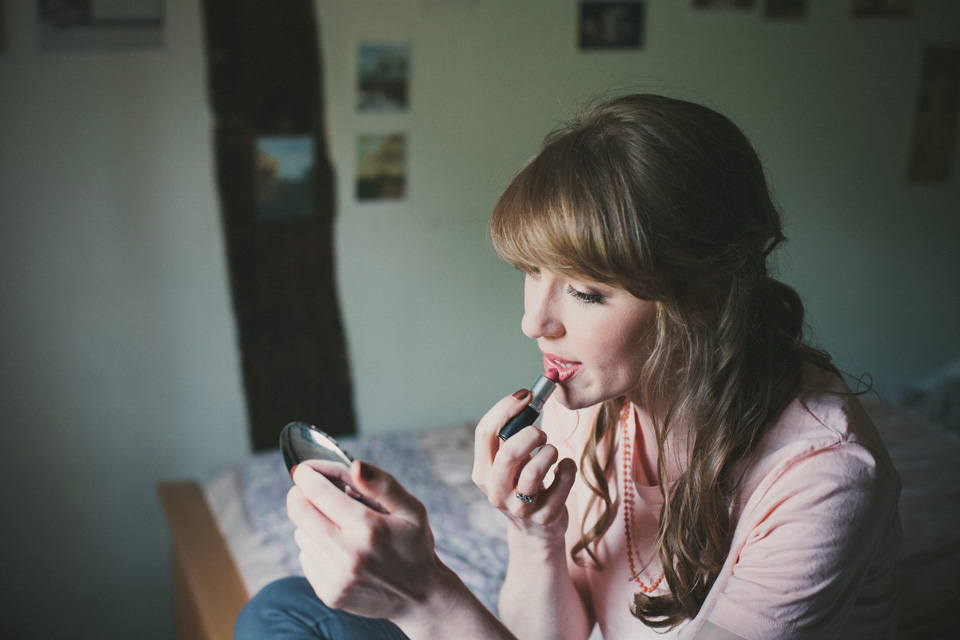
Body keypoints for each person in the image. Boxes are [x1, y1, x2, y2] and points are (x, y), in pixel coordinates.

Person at [234, 94, 901, 639]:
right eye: (531, 273)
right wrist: (534, 533)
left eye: (586, 292)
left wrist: (424, 598)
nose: (534, 322)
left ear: (703, 297)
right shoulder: (598, 400)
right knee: (285, 609)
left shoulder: (825, 476)